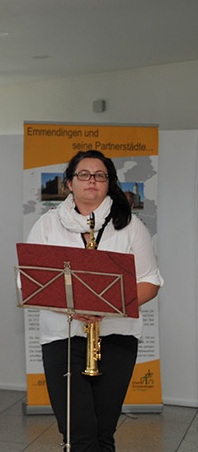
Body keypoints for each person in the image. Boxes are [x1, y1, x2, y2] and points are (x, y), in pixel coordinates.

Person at [26, 150, 163, 451]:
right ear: (69, 183)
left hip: (117, 338)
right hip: (62, 338)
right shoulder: (47, 225)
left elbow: (151, 282)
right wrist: (72, 307)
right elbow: (30, 281)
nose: (92, 181)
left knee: (103, 433)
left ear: (109, 183)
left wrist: (108, 307)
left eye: (100, 176)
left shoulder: (130, 225)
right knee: (78, 433)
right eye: (84, 175)